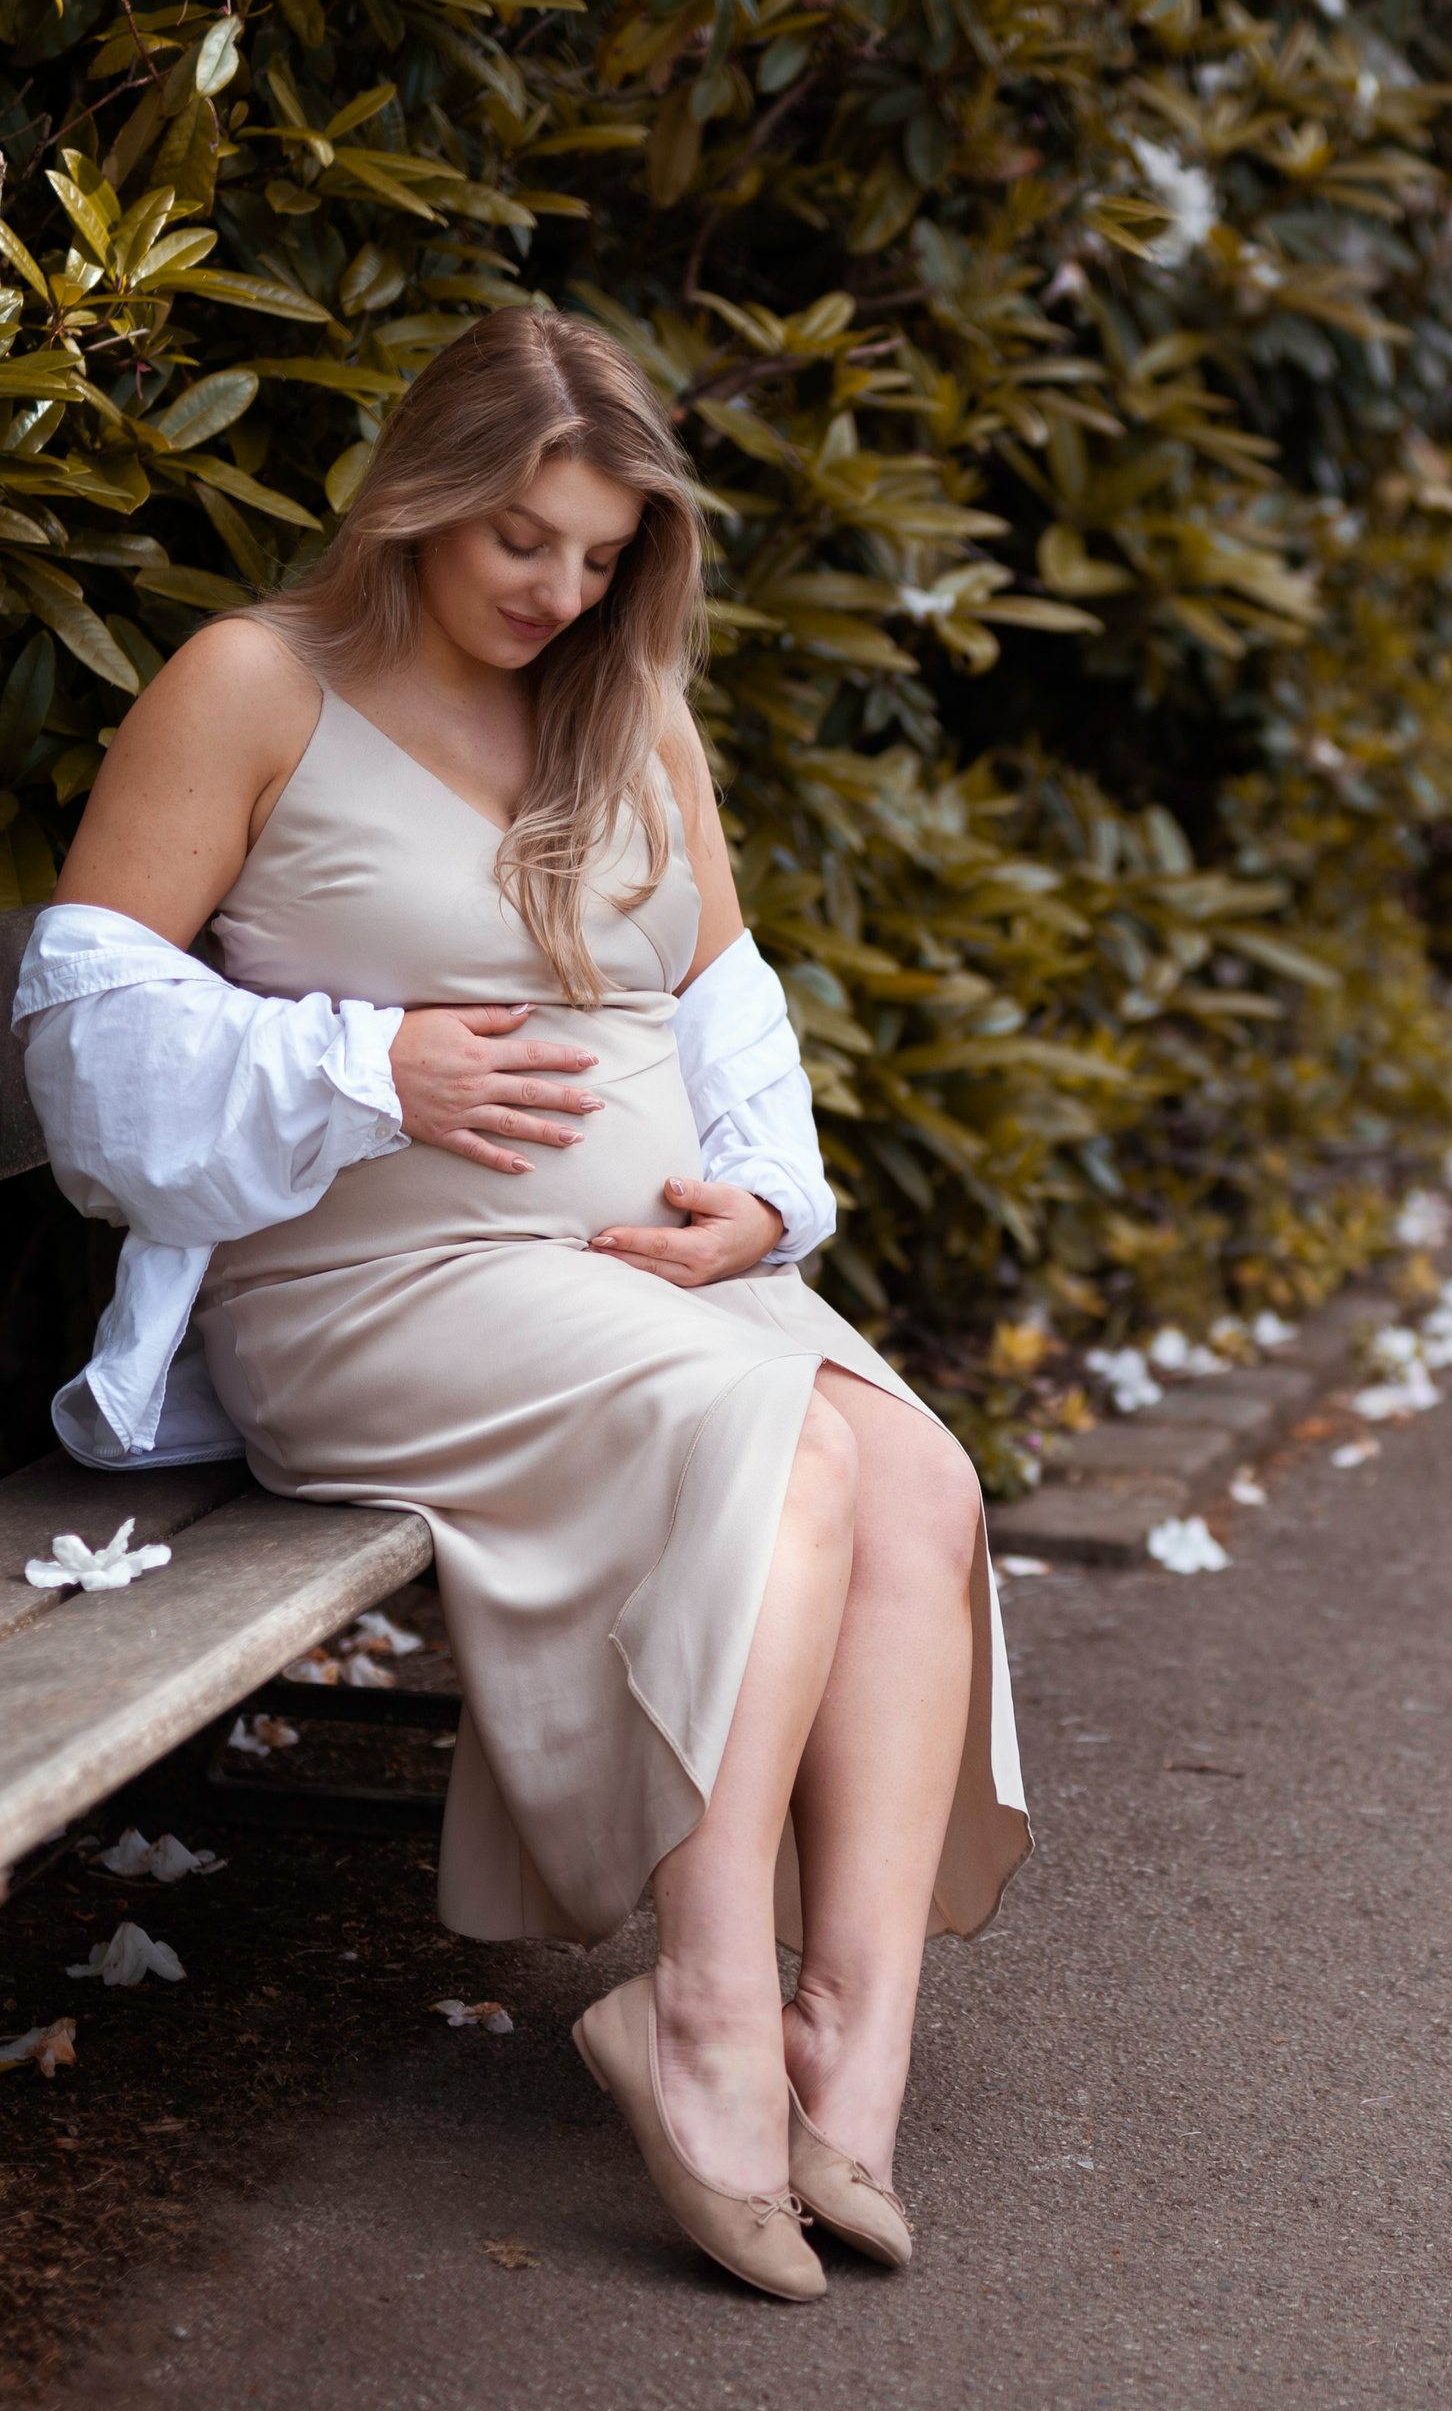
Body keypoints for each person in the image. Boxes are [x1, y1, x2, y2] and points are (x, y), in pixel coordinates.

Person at [12, 307, 1029, 2303]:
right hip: (377, 1286)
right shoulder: (254, 683)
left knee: (910, 1471)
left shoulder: (618, 699)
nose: (558, 593)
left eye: (599, 556)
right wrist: (363, 1068)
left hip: (638, 1282)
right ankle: (704, 2007)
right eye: (522, 544)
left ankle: (851, 2046)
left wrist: (765, 1209)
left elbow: (725, 1005)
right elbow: (85, 1042)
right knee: (778, 1458)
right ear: (419, 497)